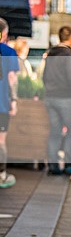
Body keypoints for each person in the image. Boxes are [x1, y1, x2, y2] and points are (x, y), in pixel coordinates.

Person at [42, 26, 71, 176]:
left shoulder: (50, 54)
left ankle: (53, 166)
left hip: (49, 97)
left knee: (55, 132)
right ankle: (69, 165)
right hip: (65, 98)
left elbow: (44, 77)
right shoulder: (68, 55)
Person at [0, 18, 19, 188]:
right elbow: (12, 78)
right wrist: (14, 101)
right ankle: (1, 175)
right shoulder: (8, 52)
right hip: (2, 103)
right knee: (1, 140)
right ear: (4, 33)